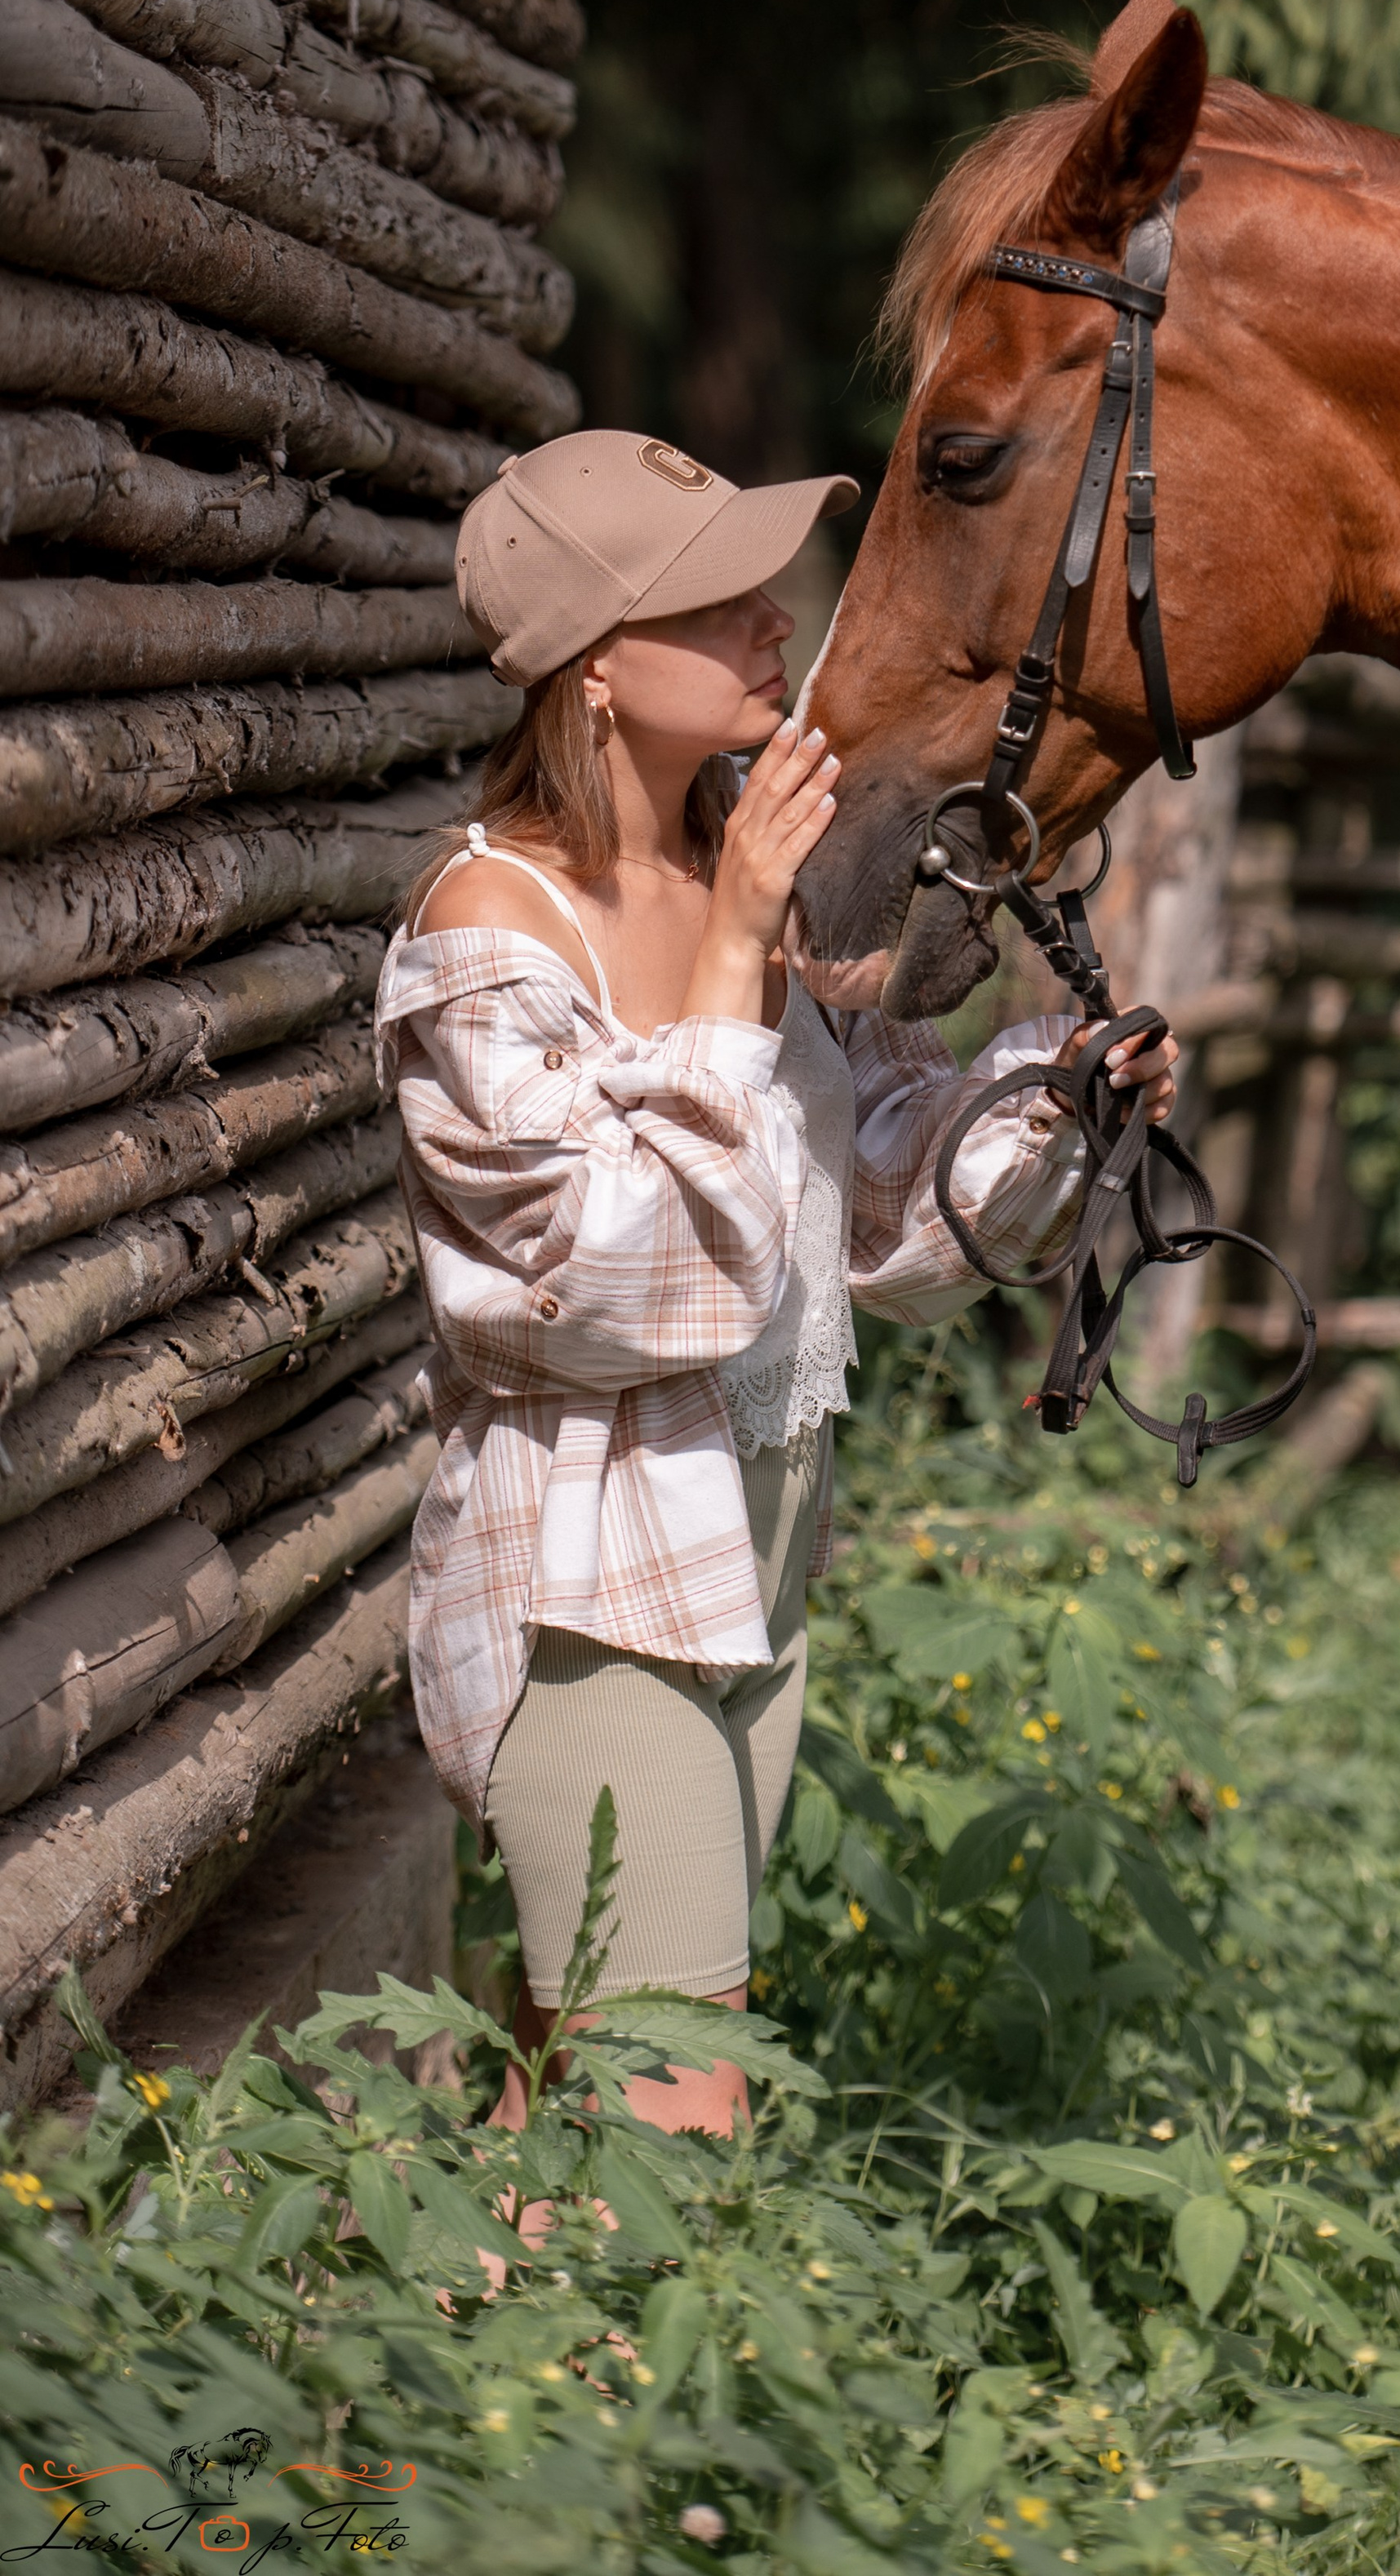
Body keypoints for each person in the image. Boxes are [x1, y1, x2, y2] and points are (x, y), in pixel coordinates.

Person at [376, 430, 1177, 2134]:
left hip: (754, 1551)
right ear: (597, 670)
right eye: (714, 599)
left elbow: (872, 1197)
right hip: (590, 1586)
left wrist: (1053, 1097)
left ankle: (431, 2388)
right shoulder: (486, 940)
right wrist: (731, 964)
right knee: (674, 2114)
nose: (774, 622)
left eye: (763, 586)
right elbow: (616, 1290)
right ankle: (605, 2400)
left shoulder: (746, 861)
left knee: (570, 2091)